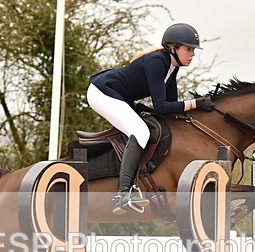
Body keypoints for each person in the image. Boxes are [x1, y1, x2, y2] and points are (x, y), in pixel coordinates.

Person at [87, 23, 215, 215]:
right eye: (189, 49)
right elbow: (161, 106)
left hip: (118, 96)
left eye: (193, 50)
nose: (192, 54)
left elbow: (170, 108)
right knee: (140, 131)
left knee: (148, 127)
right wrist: (195, 103)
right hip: (102, 93)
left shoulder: (172, 68)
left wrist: (195, 111)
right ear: (173, 48)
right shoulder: (157, 61)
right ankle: (122, 195)